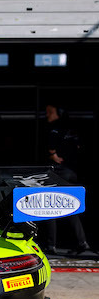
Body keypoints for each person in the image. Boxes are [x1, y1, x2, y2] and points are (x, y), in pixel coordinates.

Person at [42, 104, 91, 255]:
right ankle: (82, 243)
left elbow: (51, 151)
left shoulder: (53, 129)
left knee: (50, 205)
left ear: (58, 114)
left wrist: (53, 156)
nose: (47, 115)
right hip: (72, 172)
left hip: (59, 172)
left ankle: (51, 246)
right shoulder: (73, 129)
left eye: (50, 112)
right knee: (71, 206)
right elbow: (80, 148)